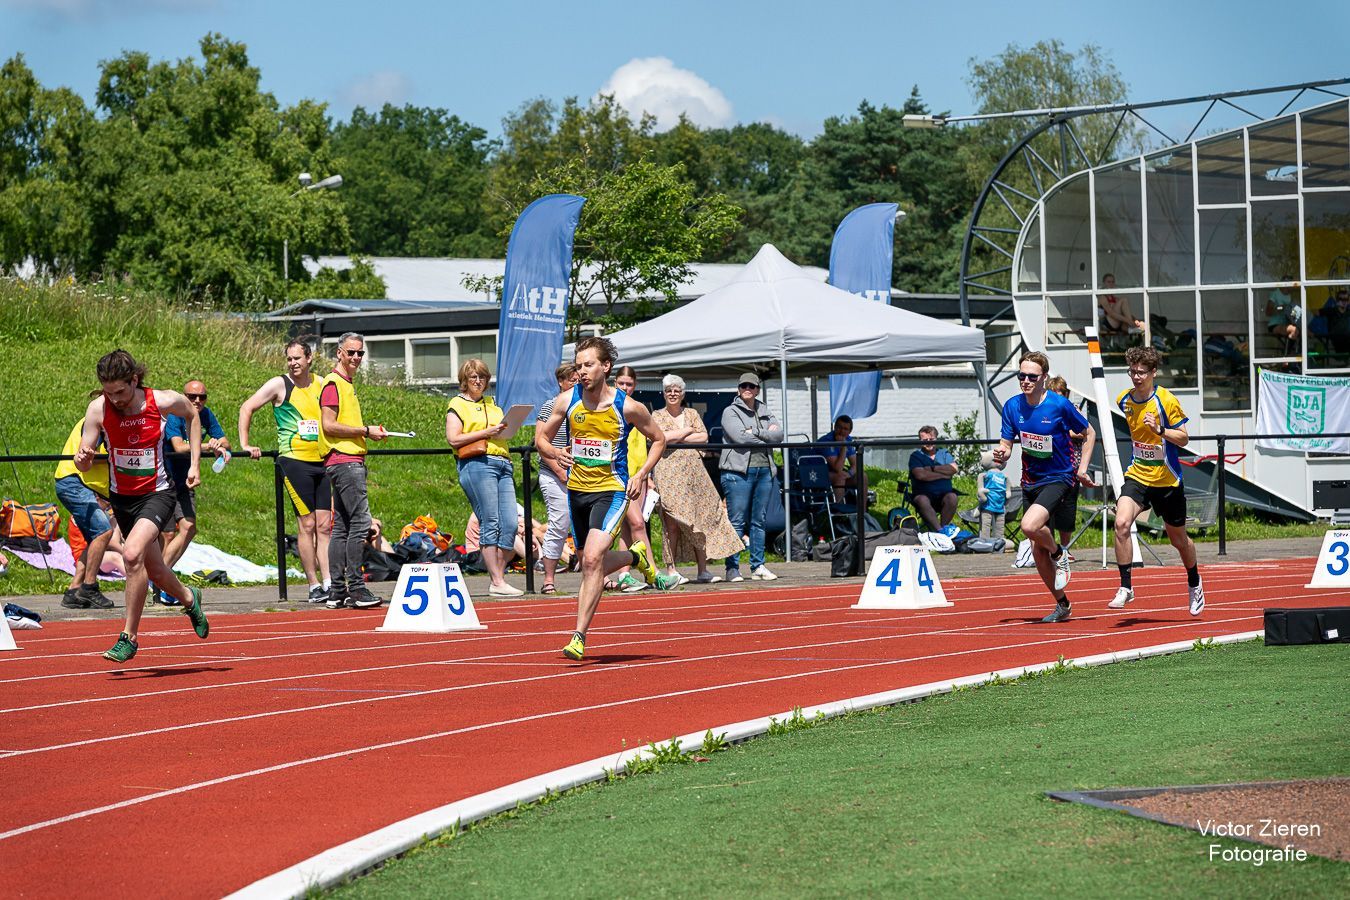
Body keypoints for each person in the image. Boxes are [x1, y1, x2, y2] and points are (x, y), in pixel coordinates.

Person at [535, 336, 675, 661]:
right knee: (587, 561)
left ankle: (579, 635)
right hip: (577, 491)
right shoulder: (566, 401)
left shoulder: (626, 406)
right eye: (579, 365)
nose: (582, 371)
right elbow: (540, 438)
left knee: (594, 558)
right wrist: (557, 452)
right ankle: (633, 557)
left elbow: (659, 439)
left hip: (612, 489)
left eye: (589, 365)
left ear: (605, 367)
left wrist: (640, 475)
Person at [74, 349, 209, 662]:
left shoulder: (161, 401)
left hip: (157, 493)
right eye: (109, 392)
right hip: (122, 498)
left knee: (132, 554)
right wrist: (83, 458)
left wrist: (195, 464)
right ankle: (190, 599)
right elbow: (85, 456)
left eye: (120, 391)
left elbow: (193, 414)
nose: (116, 399)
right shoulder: (98, 409)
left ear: (134, 380)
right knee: (157, 571)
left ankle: (129, 637)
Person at [992, 351, 1097, 623]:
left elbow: (1089, 432)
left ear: (1044, 378)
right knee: (1037, 549)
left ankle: (1059, 553)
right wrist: (1002, 455)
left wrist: (1082, 468)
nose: (1025, 381)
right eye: (1021, 376)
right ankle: (1062, 604)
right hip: (1031, 482)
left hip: (1060, 477)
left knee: (1029, 526)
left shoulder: (1058, 405)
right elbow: (1006, 444)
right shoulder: (1012, 406)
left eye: (1031, 377)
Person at [1107, 346, 1205, 616]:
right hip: (1138, 473)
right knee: (1121, 522)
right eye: (1132, 372)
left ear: (1153, 372)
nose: (1136, 377)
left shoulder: (1166, 400)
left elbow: (1184, 438)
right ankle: (1126, 587)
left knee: (1179, 540)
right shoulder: (1123, 400)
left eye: (1141, 372)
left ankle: (1194, 581)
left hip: (1167, 480)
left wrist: (1160, 430)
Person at [239, 337, 333, 603]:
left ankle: (329, 582)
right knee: (308, 524)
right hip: (294, 461)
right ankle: (314, 584)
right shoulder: (279, 384)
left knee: (325, 525)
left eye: (297, 358)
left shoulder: (322, 383)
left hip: (322, 460)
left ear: (309, 358)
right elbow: (247, 407)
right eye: (289, 359)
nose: (293, 363)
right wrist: (245, 443)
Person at [651, 374, 743, 584]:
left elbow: (704, 438)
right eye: (669, 390)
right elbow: (660, 438)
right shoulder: (656, 415)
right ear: (663, 394)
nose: (673, 394)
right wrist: (687, 431)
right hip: (668, 473)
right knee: (672, 522)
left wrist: (676, 437)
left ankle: (703, 570)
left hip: (694, 474)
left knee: (700, 519)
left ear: (682, 393)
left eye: (676, 390)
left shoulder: (691, 412)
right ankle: (671, 569)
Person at [319, 332, 387, 609]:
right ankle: (356, 589)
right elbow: (329, 424)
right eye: (351, 352)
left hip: (342, 461)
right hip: (346, 461)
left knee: (342, 528)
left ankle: (337, 591)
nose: (356, 358)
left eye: (360, 353)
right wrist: (365, 431)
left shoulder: (344, 383)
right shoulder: (334, 383)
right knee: (360, 523)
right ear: (339, 353)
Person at [446, 358, 521, 597]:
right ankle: (497, 581)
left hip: (502, 462)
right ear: (464, 381)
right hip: (477, 463)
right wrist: (486, 432)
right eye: (473, 377)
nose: (478, 381)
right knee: (491, 521)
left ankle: (497, 577)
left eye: (482, 377)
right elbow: (453, 439)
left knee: (510, 523)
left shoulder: (493, 403)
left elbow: (500, 433)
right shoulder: (457, 404)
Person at [155, 379, 230, 603]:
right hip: (165, 478)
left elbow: (226, 441)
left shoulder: (206, 415)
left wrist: (219, 444)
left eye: (202, 397)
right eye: (192, 397)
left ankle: (159, 580)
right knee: (167, 534)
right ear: (183, 397)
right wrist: (209, 445)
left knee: (189, 527)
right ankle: (161, 585)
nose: (197, 401)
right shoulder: (174, 415)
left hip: (186, 478)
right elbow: (178, 446)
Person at [719, 372, 783, 582]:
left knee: (759, 521)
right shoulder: (730, 411)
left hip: (765, 471)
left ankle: (758, 566)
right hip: (738, 473)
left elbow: (779, 435)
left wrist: (753, 431)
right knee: (736, 522)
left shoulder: (765, 410)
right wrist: (766, 435)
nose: (748, 388)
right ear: (739, 389)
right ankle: (732, 568)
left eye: (752, 386)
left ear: (757, 389)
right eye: (744, 385)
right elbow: (739, 438)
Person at [54, 416, 115, 609]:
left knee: (96, 537)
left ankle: (74, 590)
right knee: (104, 531)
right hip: (74, 481)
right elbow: (89, 455)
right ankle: (89, 588)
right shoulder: (100, 419)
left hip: (83, 484)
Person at [534, 363, 577, 594]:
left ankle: (599, 576)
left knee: (590, 527)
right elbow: (540, 442)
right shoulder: (550, 405)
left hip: (582, 474)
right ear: (561, 382)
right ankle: (548, 578)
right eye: (571, 379)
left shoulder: (585, 407)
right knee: (559, 523)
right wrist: (560, 471)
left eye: (578, 379)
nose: (575, 384)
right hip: (554, 472)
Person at [611, 366, 654, 592]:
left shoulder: (637, 409)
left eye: (629, 384)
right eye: (621, 384)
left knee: (630, 527)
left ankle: (624, 574)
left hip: (639, 476)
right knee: (637, 523)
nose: (625, 388)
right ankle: (653, 575)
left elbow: (646, 444)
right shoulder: (612, 407)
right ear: (615, 383)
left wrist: (646, 475)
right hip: (621, 475)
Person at [1045, 375, 1095, 556]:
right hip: (1048, 467)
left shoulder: (1073, 409)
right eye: (1055, 394)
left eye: (1062, 393)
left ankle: (1065, 547)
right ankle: (1049, 548)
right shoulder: (1044, 409)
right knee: (1047, 509)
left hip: (1070, 466)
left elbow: (1082, 432)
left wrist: (1066, 431)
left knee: (1068, 508)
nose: (1059, 397)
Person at [908, 426, 959, 533]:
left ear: (936, 439)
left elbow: (954, 469)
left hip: (943, 495)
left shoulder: (944, 453)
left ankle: (944, 528)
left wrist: (932, 468)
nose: (928, 442)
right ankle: (939, 531)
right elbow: (921, 475)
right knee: (922, 500)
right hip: (924, 495)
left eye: (931, 440)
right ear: (920, 441)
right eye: (925, 440)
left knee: (952, 497)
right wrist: (944, 475)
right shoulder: (916, 456)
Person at [817, 414, 864, 503]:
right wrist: (843, 447)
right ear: (834, 427)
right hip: (815, 473)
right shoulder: (826, 441)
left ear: (850, 432)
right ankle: (840, 512)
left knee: (862, 477)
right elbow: (838, 468)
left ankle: (862, 512)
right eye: (839, 427)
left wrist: (849, 474)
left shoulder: (848, 440)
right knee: (840, 476)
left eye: (845, 429)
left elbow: (856, 464)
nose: (842, 431)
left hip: (831, 474)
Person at [976, 453, 1008, 545]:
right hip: (987, 504)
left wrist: (1008, 493)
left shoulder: (1004, 476)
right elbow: (980, 488)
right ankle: (984, 543)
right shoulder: (984, 475)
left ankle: (999, 543)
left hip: (1000, 506)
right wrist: (981, 492)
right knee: (985, 524)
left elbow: (1008, 488)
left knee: (1000, 527)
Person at [1266, 279, 1301, 350]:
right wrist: (1280, 308)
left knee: (1303, 330)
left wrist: (1294, 312)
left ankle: (1295, 353)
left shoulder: (1291, 296)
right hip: (1275, 324)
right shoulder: (1275, 294)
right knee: (1294, 330)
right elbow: (1268, 312)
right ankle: (1286, 356)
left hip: (1287, 323)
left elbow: (1293, 311)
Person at [1319, 288, 1350, 355]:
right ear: (1337, 300)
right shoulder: (1331, 311)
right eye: (1341, 299)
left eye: (1346, 299)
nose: (1344, 302)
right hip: (1334, 343)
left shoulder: (1348, 311)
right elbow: (1315, 313)